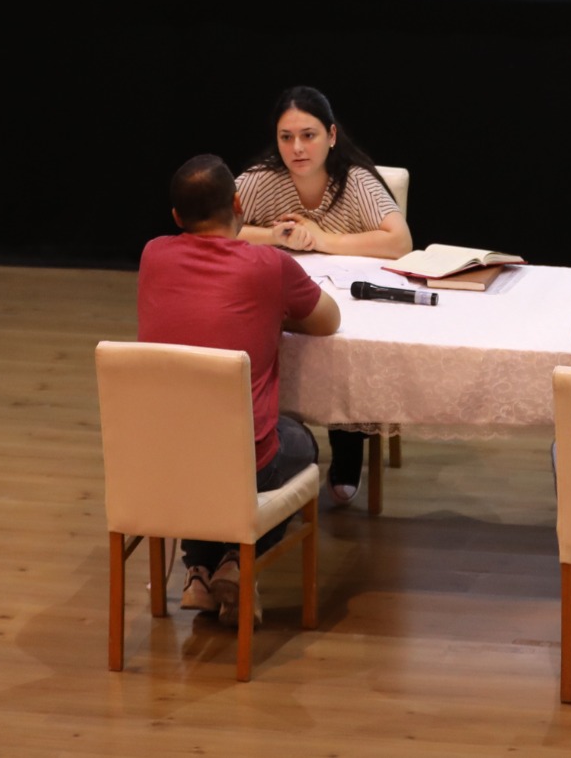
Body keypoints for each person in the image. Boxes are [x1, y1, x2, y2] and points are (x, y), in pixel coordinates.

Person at [135, 153, 341, 626]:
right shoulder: (268, 265)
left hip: (162, 460)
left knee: (200, 452)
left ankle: (198, 571)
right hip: (243, 463)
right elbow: (327, 320)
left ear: (176, 218)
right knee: (299, 443)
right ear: (237, 204)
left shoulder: (152, 255)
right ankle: (235, 561)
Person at [233, 86, 412, 507]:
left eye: (308, 135)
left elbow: (400, 242)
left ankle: (347, 447)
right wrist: (273, 236)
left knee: (342, 346)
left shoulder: (354, 179)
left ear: (331, 136)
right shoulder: (260, 180)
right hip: (286, 298)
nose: (297, 148)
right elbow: (219, 228)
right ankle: (272, 437)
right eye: (286, 137)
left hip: (350, 299)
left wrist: (322, 239)